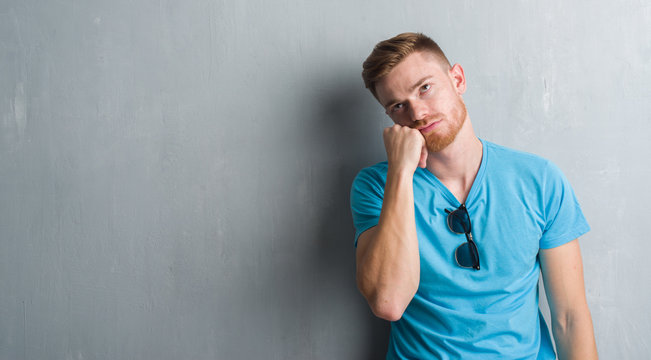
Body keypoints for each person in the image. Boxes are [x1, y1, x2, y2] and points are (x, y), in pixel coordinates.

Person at [350, 32, 598, 359]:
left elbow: (570, 318)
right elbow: (388, 302)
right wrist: (401, 172)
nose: (418, 113)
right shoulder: (376, 186)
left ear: (457, 79)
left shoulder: (539, 180)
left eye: (425, 88)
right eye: (398, 106)